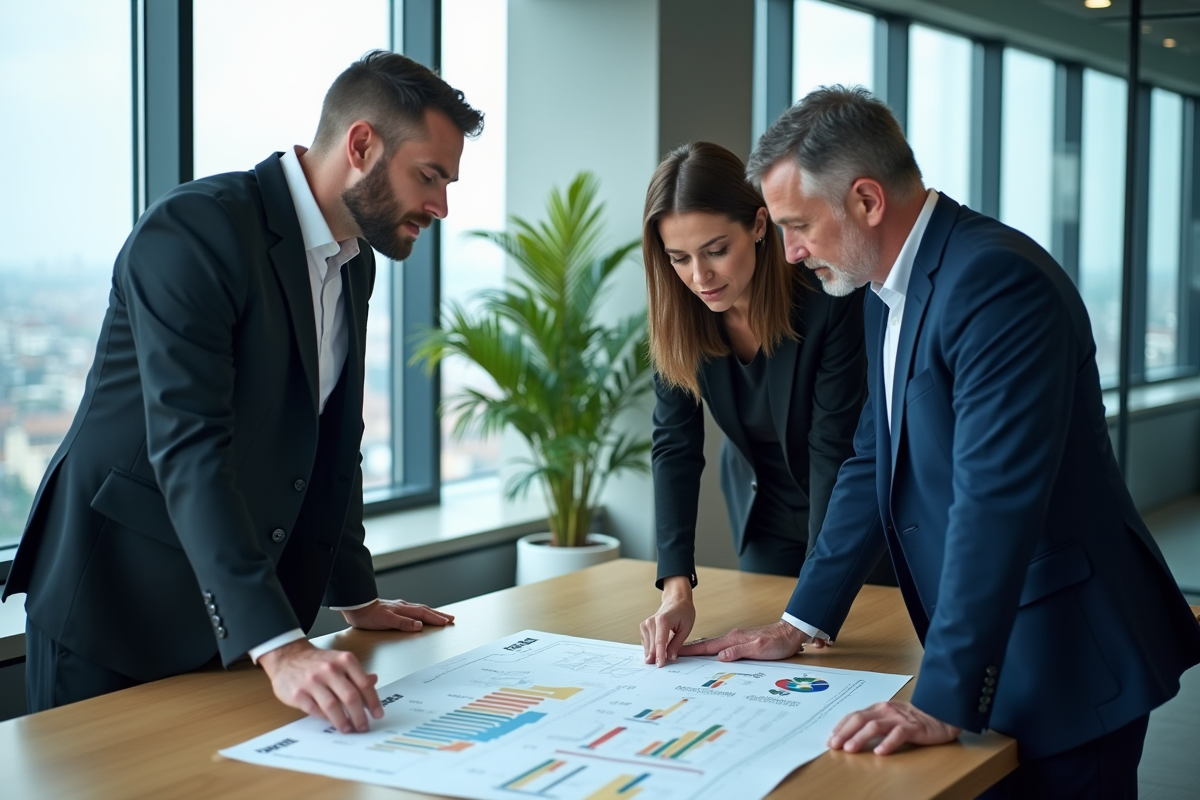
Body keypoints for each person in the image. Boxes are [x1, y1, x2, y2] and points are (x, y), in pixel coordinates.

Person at [679, 87, 1200, 798]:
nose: (791, 253)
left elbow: (995, 502)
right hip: (1004, 643)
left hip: (1067, 652)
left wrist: (942, 699)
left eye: (799, 226)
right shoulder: (882, 289)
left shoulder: (995, 283)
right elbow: (872, 460)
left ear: (867, 200)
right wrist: (802, 620)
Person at [2, 51, 484, 735]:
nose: (440, 206)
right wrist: (280, 646)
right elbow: (190, 447)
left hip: (230, 625)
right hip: (114, 605)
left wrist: (355, 596)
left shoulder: (354, 264)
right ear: (361, 146)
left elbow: (333, 442)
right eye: (429, 176)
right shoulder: (196, 229)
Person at [637, 141, 880, 670]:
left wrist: (810, 611)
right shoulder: (680, 316)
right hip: (764, 516)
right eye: (679, 258)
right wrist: (676, 588)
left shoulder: (829, 300)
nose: (699, 277)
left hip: (852, 522)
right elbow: (675, 445)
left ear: (759, 225)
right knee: (755, 673)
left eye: (715, 250)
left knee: (845, 664)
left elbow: (833, 449)